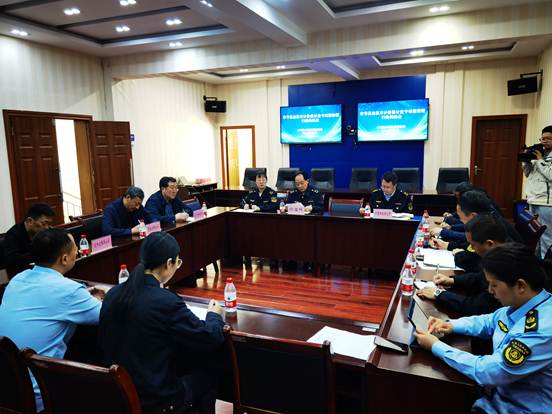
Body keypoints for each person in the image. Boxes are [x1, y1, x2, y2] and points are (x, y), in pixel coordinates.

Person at [414, 243, 552, 414]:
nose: (490, 291)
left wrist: (436, 346)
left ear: (520, 285)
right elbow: (489, 321)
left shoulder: (542, 330)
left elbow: (488, 372)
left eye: (494, 285)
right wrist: (451, 325)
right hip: (493, 396)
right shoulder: (524, 303)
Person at [99, 232, 225, 414]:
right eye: (178, 262)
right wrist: (214, 315)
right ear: (168, 264)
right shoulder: (165, 301)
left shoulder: (113, 294)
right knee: (207, 372)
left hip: (120, 395)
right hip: (157, 401)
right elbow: (210, 337)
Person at [0, 228, 103, 412]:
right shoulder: (67, 290)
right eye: (75, 249)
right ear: (64, 258)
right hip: (39, 394)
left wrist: (81, 299)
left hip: (7, 388)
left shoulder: (17, 279)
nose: (77, 251)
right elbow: (107, 314)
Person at [417, 213, 503, 316]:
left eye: (472, 245)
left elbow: (477, 307)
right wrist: (452, 281)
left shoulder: (504, 265)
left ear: (489, 244)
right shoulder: (496, 255)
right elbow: (480, 278)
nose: (470, 248)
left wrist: (439, 294)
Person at [523, 125, 552, 258]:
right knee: (534, 235)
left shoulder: (542, 157)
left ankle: (546, 264)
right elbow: (528, 173)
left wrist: (540, 160)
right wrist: (527, 161)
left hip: (547, 203)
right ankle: (537, 262)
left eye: (548, 139)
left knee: (546, 237)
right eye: (542, 138)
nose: (544, 141)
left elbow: (550, 175)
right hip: (533, 200)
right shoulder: (539, 153)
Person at [3, 203, 55, 278]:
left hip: (39, 272)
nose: (47, 228)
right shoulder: (13, 235)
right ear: (30, 221)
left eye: (49, 224)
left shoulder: (44, 231)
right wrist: (38, 253)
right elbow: (11, 260)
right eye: (44, 223)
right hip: (19, 276)